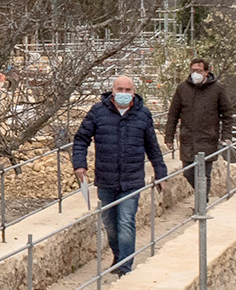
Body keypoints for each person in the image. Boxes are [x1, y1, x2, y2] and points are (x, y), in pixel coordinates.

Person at [72, 75, 168, 275]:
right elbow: (81, 138)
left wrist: (161, 173)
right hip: (106, 179)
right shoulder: (98, 112)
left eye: (128, 90)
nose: (124, 94)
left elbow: (153, 147)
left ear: (134, 92)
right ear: (112, 90)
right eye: (120, 89)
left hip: (132, 180)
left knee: (126, 221)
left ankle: (124, 266)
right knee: (110, 222)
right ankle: (118, 254)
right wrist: (79, 165)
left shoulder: (143, 114)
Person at [165, 58, 235, 194]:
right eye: (193, 70)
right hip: (188, 139)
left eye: (199, 70)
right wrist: (169, 136)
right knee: (188, 173)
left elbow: (227, 114)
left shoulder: (218, 89)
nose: (195, 73)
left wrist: (226, 135)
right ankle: (202, 201)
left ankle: (201, 205)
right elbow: (173, 114)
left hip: (208, 138)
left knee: (204, 174)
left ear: (206, 72)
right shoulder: (182, 89)